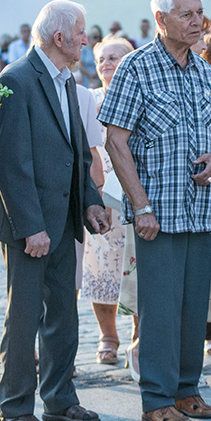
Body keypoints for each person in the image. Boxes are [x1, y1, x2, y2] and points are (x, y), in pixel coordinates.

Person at [0, 0, 110, 421]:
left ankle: (60, 399)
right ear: (59, 37)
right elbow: (8, 162)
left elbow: (77, 151)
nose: (86, 39)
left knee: (63, 315)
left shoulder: (66, 78)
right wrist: (30, 227)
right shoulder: (15, 79)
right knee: (24, 316)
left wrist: (91, 200)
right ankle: (13, 407)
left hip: (64, 218)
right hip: (28, 225)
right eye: (81, 32)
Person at [100, 0, 211, 421]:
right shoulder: (136, 67)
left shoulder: (205, 70)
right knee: (158, 310)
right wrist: (141, 207)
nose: (197, 22)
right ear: (161, 20)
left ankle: (187, 390)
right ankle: (156, 398)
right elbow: (115, 141)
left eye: (200, 13)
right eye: (186, 14)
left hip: (201, 209)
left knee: (195, 307)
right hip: (158, 212)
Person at [81, 37, 135, 365]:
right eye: (101, 59)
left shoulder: (138, 97)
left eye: (114, 57)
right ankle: (108, 336)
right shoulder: (89, 100)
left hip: (133, 192)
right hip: (99, 194)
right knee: (100, 267)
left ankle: (139, 336)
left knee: (136, 266)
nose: (106, 64)